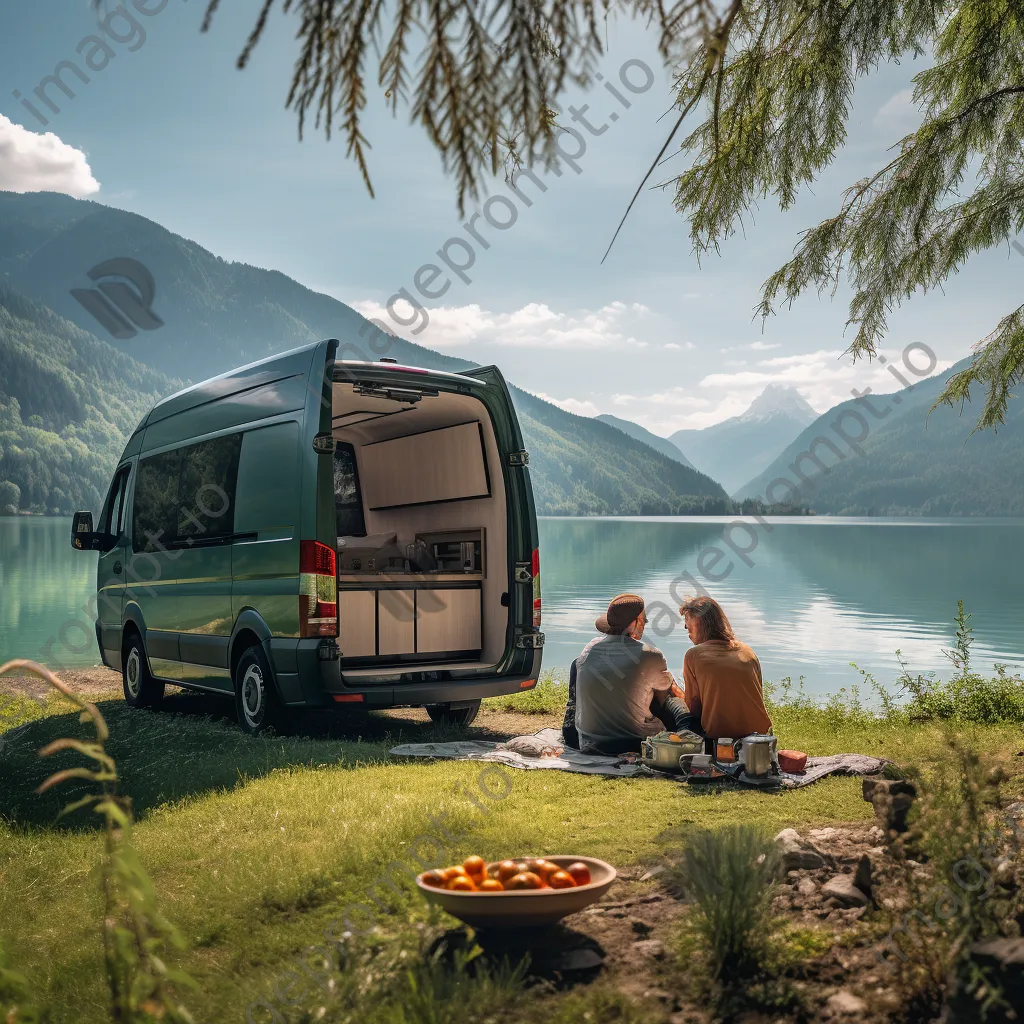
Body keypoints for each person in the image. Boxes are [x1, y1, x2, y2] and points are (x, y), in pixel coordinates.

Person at [565, 593, 692, 755]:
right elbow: (665, 696)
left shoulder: (589, 649)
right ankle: (687, 732)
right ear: (637, 622)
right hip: (634, 742)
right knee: (668, 694)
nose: (645, 625)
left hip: (588, 740)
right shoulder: (649, 654)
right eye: (644, 621)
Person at [678, 595, 772, 741]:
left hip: (720, 738)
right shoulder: (747, 650)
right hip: (760, 736)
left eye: (687, 624)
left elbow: (694, 708)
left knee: (678, 715)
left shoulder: (693, 655)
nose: (686, 629)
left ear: (701, 625)